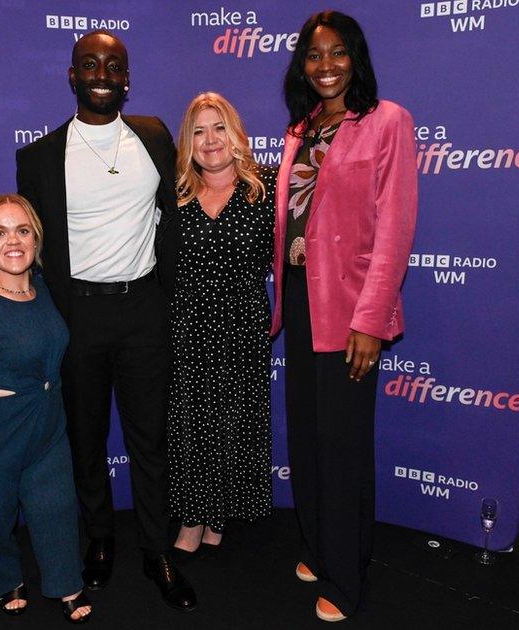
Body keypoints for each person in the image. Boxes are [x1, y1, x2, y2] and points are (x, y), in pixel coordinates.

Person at [14, 31, 196, 611]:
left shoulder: (153, 137)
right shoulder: (38, 158)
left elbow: (182, 205)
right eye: (89, 64)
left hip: (145, 309)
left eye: (113, 65)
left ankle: (156, 549)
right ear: (72, 76)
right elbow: (28, 247)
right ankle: (99, 539)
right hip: (79, 317)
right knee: (86, 440)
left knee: (151, 441)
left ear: (127, 78)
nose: (101, 73)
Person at [271, 11, 418, 622]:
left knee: (343, 445)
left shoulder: (387, 122)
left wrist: (371, 319)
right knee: (306, 434)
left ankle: (347, 574)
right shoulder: (299, 131)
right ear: (301, 65)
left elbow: (394, 228)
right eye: (313, 54)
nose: (325, 65)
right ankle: (317, 543)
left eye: (337, 53)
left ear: (355, 58)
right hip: (302, 302)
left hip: (353, 308)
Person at [0, 194, 92, 623]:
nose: (13, 241)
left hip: (46, 422)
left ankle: (66, 583)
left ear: (35, 239)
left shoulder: (43, 290)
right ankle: (5, 578)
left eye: (22, 231)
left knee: (56, 505)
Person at [168, 92, 276, 556]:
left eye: (218, 128)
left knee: (236, 420)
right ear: (187, 143)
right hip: (187, 325)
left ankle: (220, 514)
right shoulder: (174, 196)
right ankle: (193, 518)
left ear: (235, 135)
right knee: (191, 422)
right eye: (198, 130)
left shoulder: (267, 189)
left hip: (243, 324)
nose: (209, 140)